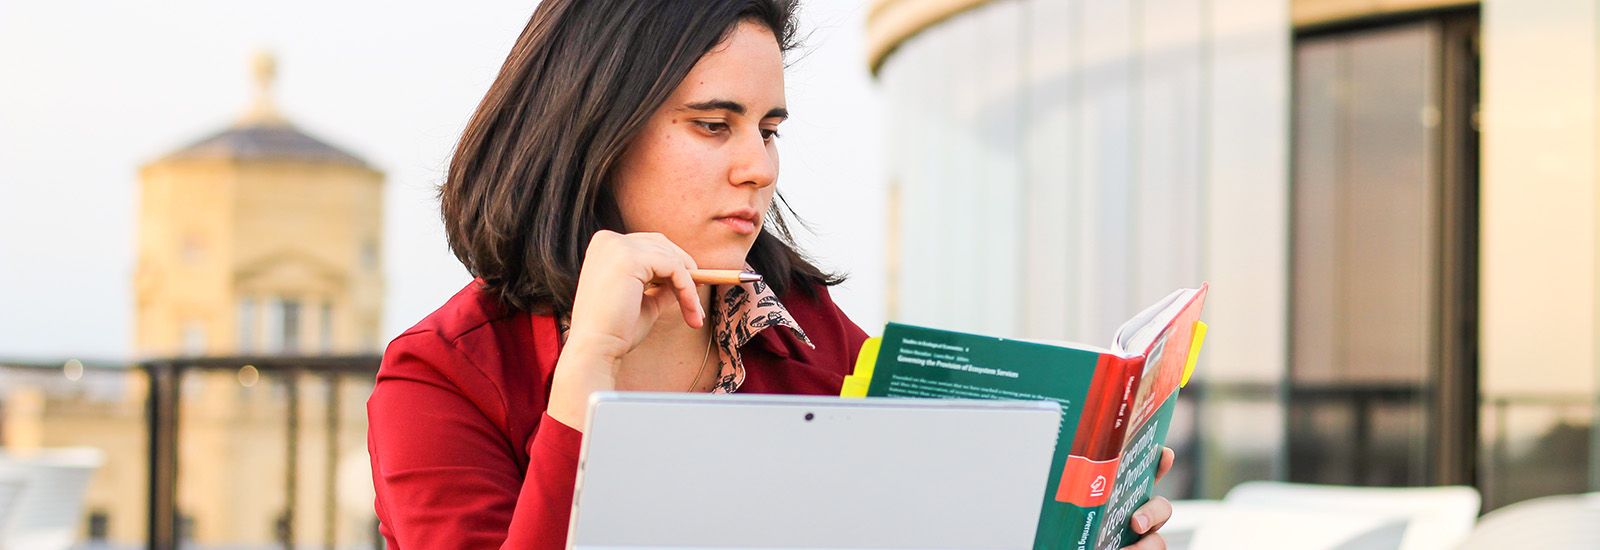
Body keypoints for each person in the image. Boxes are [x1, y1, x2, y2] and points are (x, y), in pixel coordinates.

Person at [365, 1, 1175, 548]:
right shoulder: (441, 381)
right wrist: (586, 373)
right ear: (592, 134)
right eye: (714, 126)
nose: (759, 167)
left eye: (769, 128)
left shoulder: (811, 331)